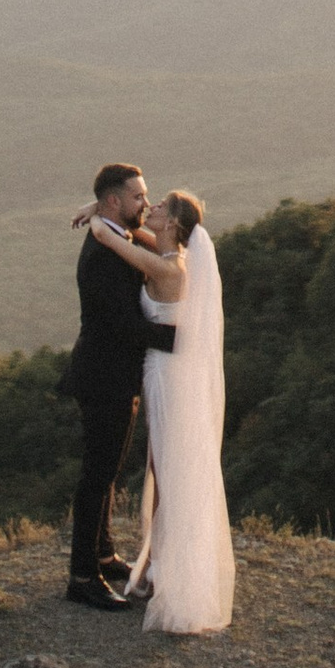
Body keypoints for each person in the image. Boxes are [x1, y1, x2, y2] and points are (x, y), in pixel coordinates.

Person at [81, 185, 234, 634]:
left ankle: (164, 572)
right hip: (164, 372)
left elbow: (109, 238)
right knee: (162, 468)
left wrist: (96, 213)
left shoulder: (168, 271)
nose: (151, 208)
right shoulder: (164, 255)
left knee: (168, 472)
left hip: (167, 377)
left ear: (172, 224)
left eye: (160, 206)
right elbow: (128, 235)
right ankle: (156, 566)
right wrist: (100, 207)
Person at [56, 162, 169, 607]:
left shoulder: (115, 234)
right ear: (115, 202)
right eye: (138, 197)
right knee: (97, 477)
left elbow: (147, 243)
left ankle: (102, 555)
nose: (145, 201)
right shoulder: (104, 255)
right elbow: (124, 326)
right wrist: (181, 339)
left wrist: (97, 209)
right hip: (103, 378)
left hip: (115, 376)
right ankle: (82, 578)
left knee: (106, 474)